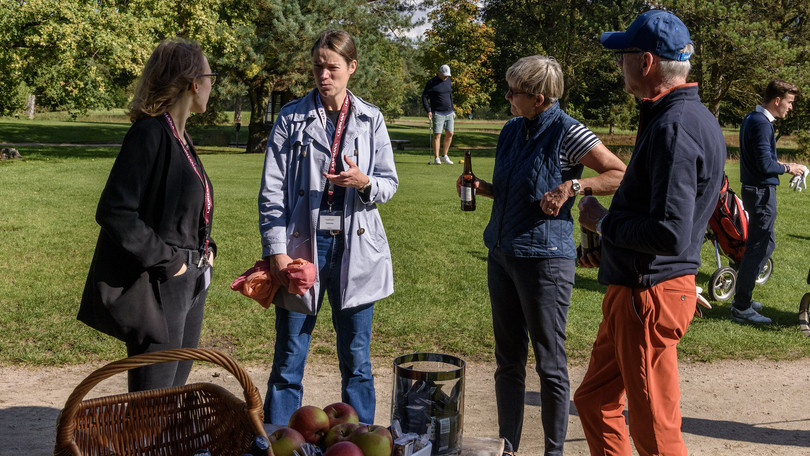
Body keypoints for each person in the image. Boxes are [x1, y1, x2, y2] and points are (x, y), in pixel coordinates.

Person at [573, 11, 726, 456]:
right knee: (594, 401)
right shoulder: (681, 116)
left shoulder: (675, 127)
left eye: (622, 56)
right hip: (639, 286)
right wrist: (610, 247)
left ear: (645, 62)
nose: (617, 65)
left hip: (650, 295)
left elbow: (670, 233)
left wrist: (602, 222)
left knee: (655, 431)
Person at [460, 55, 626, 455]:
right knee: (508, 362)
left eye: (513, 92)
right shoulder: (512, 130)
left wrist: (573, 187)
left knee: (550, 365)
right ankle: (508, 447)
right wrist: (483, 188)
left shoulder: (569, 132)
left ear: (539, 98)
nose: (507, 97)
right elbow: (518, 192)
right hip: (502, 255)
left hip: (545, 262)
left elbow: (619, 173)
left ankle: (554, 452)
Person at [258, 29, 398, 426]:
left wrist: (364, 182)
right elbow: (271, 192)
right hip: (303, 247)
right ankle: (280, 439)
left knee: (356, 357)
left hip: (356, 246)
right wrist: (277, 251)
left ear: (351, 68)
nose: (324, 76)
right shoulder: (291, 117)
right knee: (289, 355)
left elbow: (389, 182)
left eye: (332, 68)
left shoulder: (371, 118)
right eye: (318, 67)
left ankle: (362, 439)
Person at [78, 39, 217, 392]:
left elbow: (181, 208)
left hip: (190, 279)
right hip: (161, 284)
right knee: (152, 399)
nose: (212, 84)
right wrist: (169, 263)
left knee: (171, 395)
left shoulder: (181, 137)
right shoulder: (149, 134)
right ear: (192, 83)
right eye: (209, 76)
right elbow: (115, 210)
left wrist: (205, 247)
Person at [731, 80, 804, 324]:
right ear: (777, 100)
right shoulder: (762, 124)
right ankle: (741, 306)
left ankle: (743, 295)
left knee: (766, 244)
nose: (790, 108)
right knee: (759, 247)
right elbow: (765, 164)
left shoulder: (752, 118)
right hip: (761, 193)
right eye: (789, 102)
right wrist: (789, 167)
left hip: (756, 190)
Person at [422, 64, 456, 164]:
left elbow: (450, 96)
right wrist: (428, 110)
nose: (446, 77)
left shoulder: (448, 81)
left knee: (450, 133)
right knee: (437, 135)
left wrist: (453, 109)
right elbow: (424, 97)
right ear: (439, 72)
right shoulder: (431, 82)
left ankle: (444, 155)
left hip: (449, 112)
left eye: (447, 75)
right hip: (437, 112)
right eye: (444, 75)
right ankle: (437, 158)